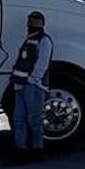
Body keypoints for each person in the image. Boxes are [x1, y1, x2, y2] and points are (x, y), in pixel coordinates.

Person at [10, 11, 54, 160]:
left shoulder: (44, 40)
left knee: (34, 119)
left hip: (34, 87)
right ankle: (20, 148)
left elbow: (42, 63)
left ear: (42, 23)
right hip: (20, 85)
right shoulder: (29, 39)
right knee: (18, 119)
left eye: (36, 20)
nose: (33, 23)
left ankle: (38, 148)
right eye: (31, 21)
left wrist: (33, 80)